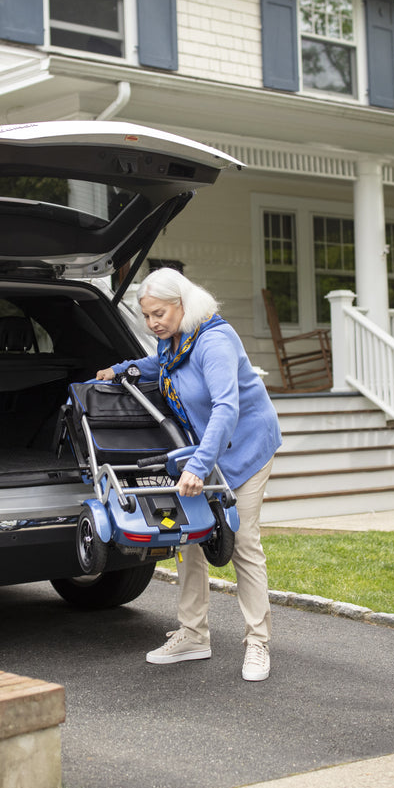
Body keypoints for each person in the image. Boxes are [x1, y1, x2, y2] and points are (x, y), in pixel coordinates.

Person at [97, 268, 283, 682]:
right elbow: (159, 365)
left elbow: (226, 409)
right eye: (146, 317)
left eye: (159, 314)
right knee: (190, 535)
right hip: (205, 450)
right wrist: (121, 369)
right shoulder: (173, 340)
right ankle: (194, 634)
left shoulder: (214, 341)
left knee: (243, 541)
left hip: (246, 448)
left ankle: (258, 642)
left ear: (182, 303)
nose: (152, 324)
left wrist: (198, 467)